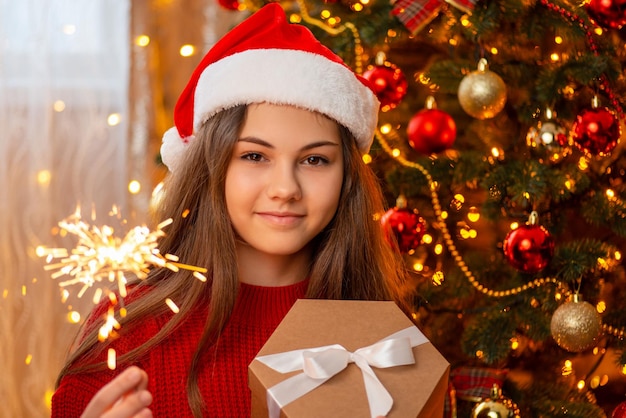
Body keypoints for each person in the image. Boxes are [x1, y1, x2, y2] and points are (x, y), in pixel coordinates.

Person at [51, 3, 414, 417]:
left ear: (347, 178)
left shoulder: (385, 343)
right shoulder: (129, 330)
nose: (285, 189)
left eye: (315, 160)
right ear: (211, 167)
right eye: (255, 156)